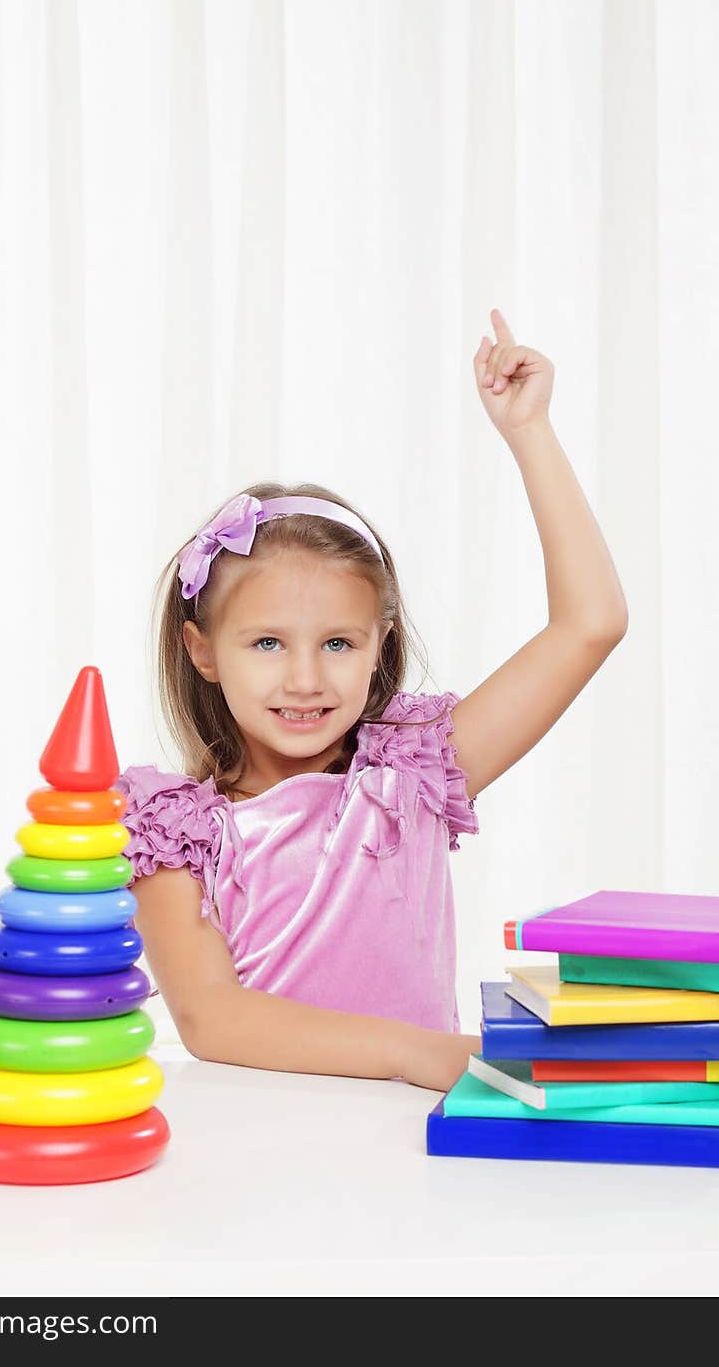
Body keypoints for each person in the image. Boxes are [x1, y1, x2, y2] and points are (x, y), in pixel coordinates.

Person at [115, 309, 628, 1092]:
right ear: (202, 652)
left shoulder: (412, 777)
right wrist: (414, 1053)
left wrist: (531, 432)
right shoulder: (174, 834)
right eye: (266, 643)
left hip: (411, 1151)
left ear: (380, 644)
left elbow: (590, 624)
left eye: (338, 643)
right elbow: (212, 1020)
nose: (305, 680)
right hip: (253, 1160)